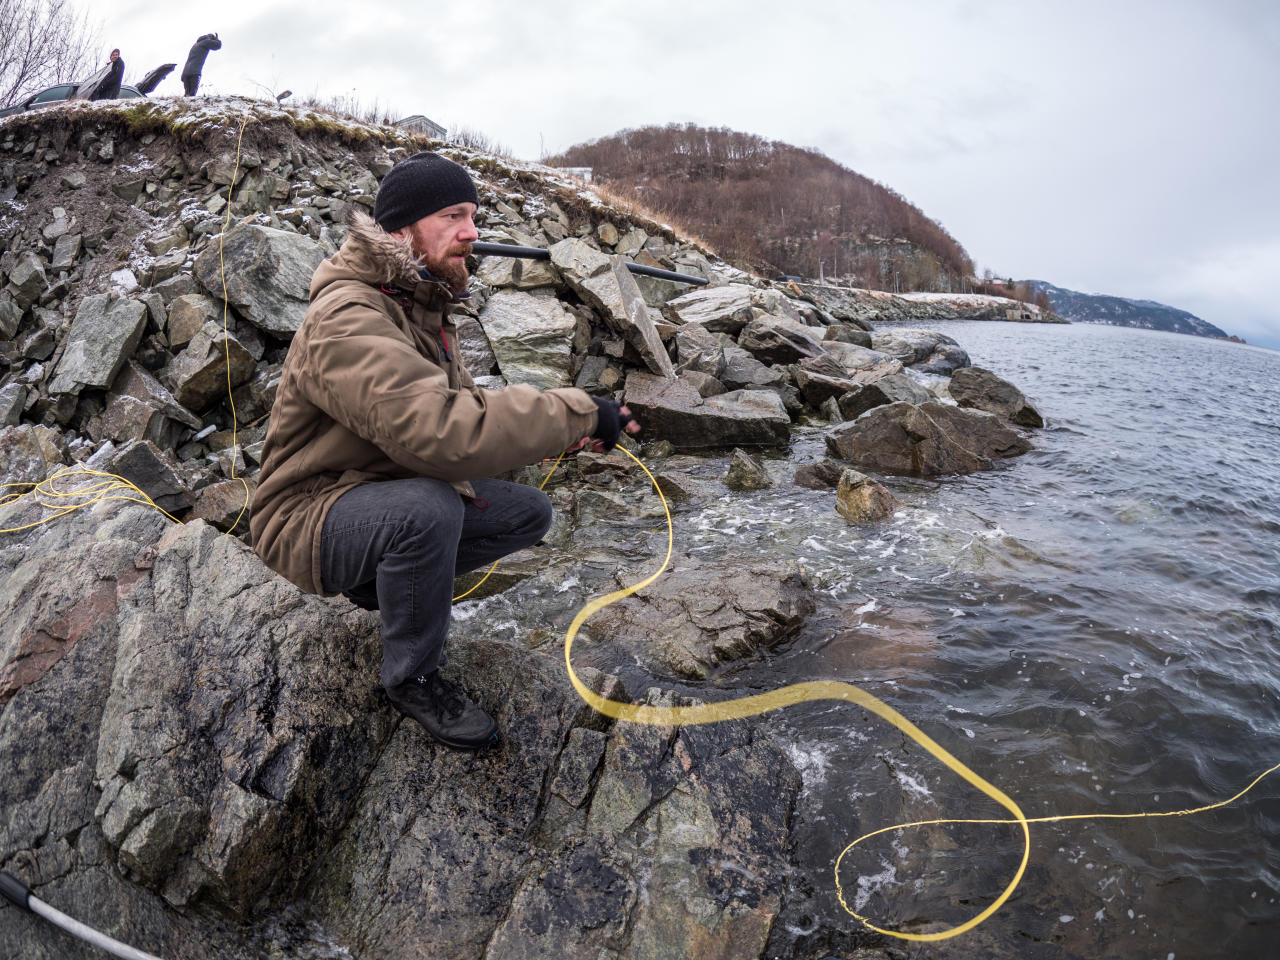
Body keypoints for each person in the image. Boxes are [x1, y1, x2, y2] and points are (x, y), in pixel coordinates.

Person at [250, 152, 639, 750]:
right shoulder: (347, 315)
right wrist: (576, 410)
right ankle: (413, 678)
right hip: (305, 513)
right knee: (430, 510)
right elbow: (441, 431)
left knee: (527, 512)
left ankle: (374, 586)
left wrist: (560, 437)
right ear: (401, 228)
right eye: (453, 215)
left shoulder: (417, 302)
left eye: (474, 217)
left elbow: (464, 416)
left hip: (369, 490)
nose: (472, 233)